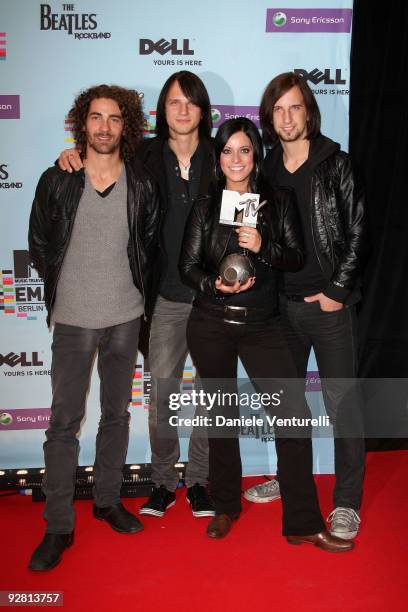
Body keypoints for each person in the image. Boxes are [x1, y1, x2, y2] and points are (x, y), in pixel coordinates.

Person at [179, 117, 353, 551]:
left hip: (263, 325)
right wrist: (212, 285)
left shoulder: (277, 200)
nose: (236, 159)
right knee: (221, 418)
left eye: (244, 150)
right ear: (217, 158)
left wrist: (263, 248)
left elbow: (294, 258)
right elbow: (188, 266)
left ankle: (303, 522)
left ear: (256, 155)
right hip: (211, 323)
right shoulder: (205, 205)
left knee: (293, 418)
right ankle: (225, 506)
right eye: (227, 151)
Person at [58, 71, 215, 519]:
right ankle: (164, 482)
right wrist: (69, 155)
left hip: (214, 300)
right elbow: (99, 163)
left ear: (203, 110)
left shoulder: (223, 156)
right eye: (173, 103)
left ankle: (200, 481)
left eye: (191, 102)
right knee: (163, 398)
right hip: (163, 298)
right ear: (161, 112)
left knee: (209, 395)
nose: (182, 110)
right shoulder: (143, 158)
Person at [28, 84, 160, 571]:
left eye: (114, 119)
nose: (104, 127)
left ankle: (107, 501)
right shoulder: (57, 178)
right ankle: (58, 525)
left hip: (126, 316)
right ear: (82, 123)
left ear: (127, 126)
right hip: (73, 320)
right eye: (96, 118)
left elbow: (147, 248)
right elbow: (40, 243)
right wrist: (71, 291)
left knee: (116, 415)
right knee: (63, 425)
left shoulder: (142, 183)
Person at [244, 72, 366, 541]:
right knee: (285, 405)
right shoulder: (265, 169)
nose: (288, 117)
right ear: (269, 117)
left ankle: (347, 502)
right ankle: (291, 477)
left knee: (343, 406)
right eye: (279, 109)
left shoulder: (336, 164)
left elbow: (359, 233)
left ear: (309, 112)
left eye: (295, 107)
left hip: (329, 308)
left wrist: (336, 290)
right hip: (280, 308)